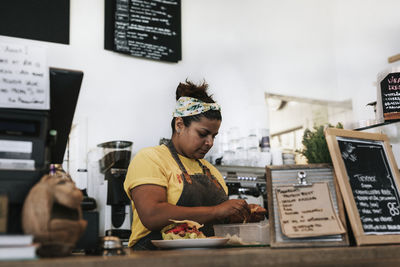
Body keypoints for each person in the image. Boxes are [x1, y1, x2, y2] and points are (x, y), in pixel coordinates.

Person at [123, 80, 266, 250]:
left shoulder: (212, 172)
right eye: (203, 134)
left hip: (206, 259)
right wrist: (216, 210)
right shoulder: (151, 158)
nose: (210, 142)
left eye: (214, 136)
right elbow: (152, 215)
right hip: (155, 258)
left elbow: (215, 223)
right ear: (179, 125)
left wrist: (240, 215)